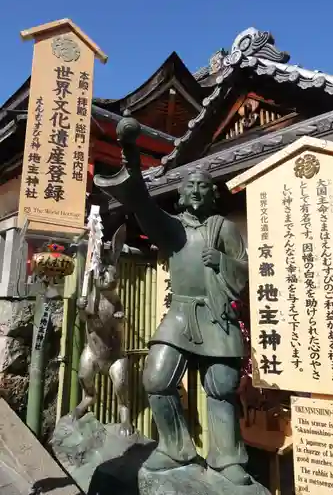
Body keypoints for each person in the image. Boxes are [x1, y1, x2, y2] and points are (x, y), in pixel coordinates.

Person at [94, 116, 250, 486]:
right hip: (180, 312)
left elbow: (244, 270)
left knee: (222, 385)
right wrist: (130, 156)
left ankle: (226, 457)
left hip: (215, 315)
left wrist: (224, 262)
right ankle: (177, 447)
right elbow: (144, 205)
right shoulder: (172, 227)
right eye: (190, 186)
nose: (196, 191)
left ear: (214, 194)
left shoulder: (225, 229)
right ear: (181, 194)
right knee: (156, 377)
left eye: (204, 186)